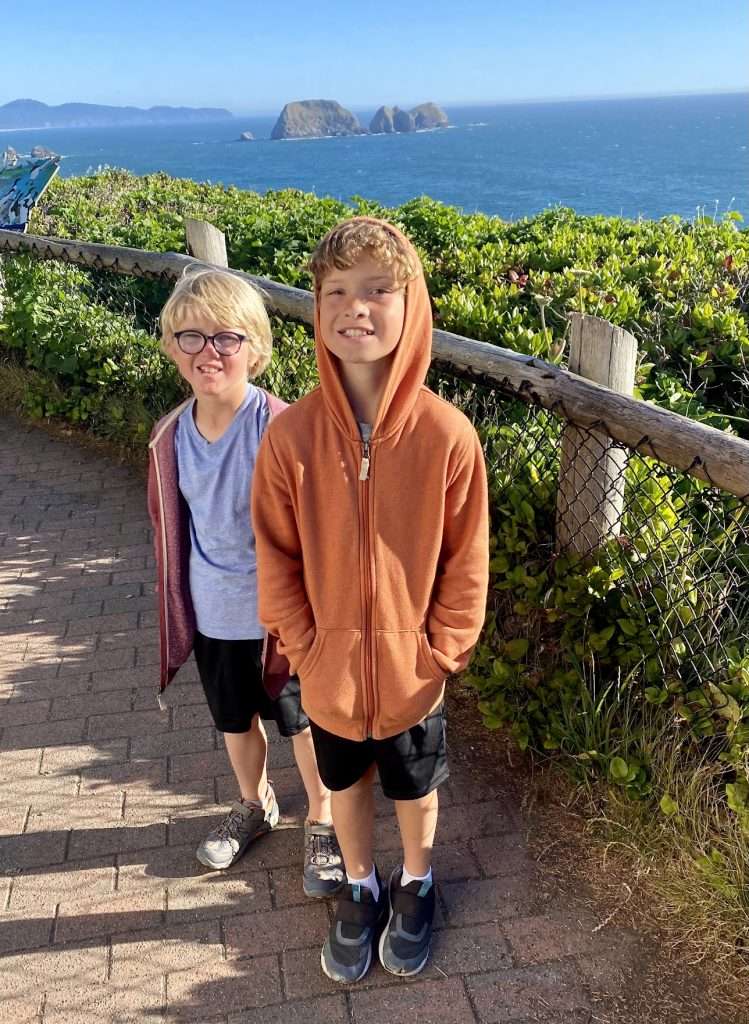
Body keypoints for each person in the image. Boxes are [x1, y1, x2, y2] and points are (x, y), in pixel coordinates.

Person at [252, 218, 489, 981]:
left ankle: (415, 882)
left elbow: (465, 562)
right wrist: (305, 645)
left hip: (413, 672)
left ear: (410, 305)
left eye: (378, 289)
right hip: (326, 674)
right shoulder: (288, 438)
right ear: (316, 308)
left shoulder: (447, 436)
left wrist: (440, 650)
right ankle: (360, 886)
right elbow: (276, 553)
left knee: (417, 790)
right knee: (343, 784)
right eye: (337, 291)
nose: (357, 306)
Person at [147, 266, 343, 899]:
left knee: (303, 722)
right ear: (171, 346)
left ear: (255, 350)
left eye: (227, 338)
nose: (210, 352)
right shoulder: (170, 437)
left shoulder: (280, 429)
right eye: (191, 337)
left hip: (281, 614)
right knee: (234, 720)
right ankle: (254, 806)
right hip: (211, 612)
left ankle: (324, 819)